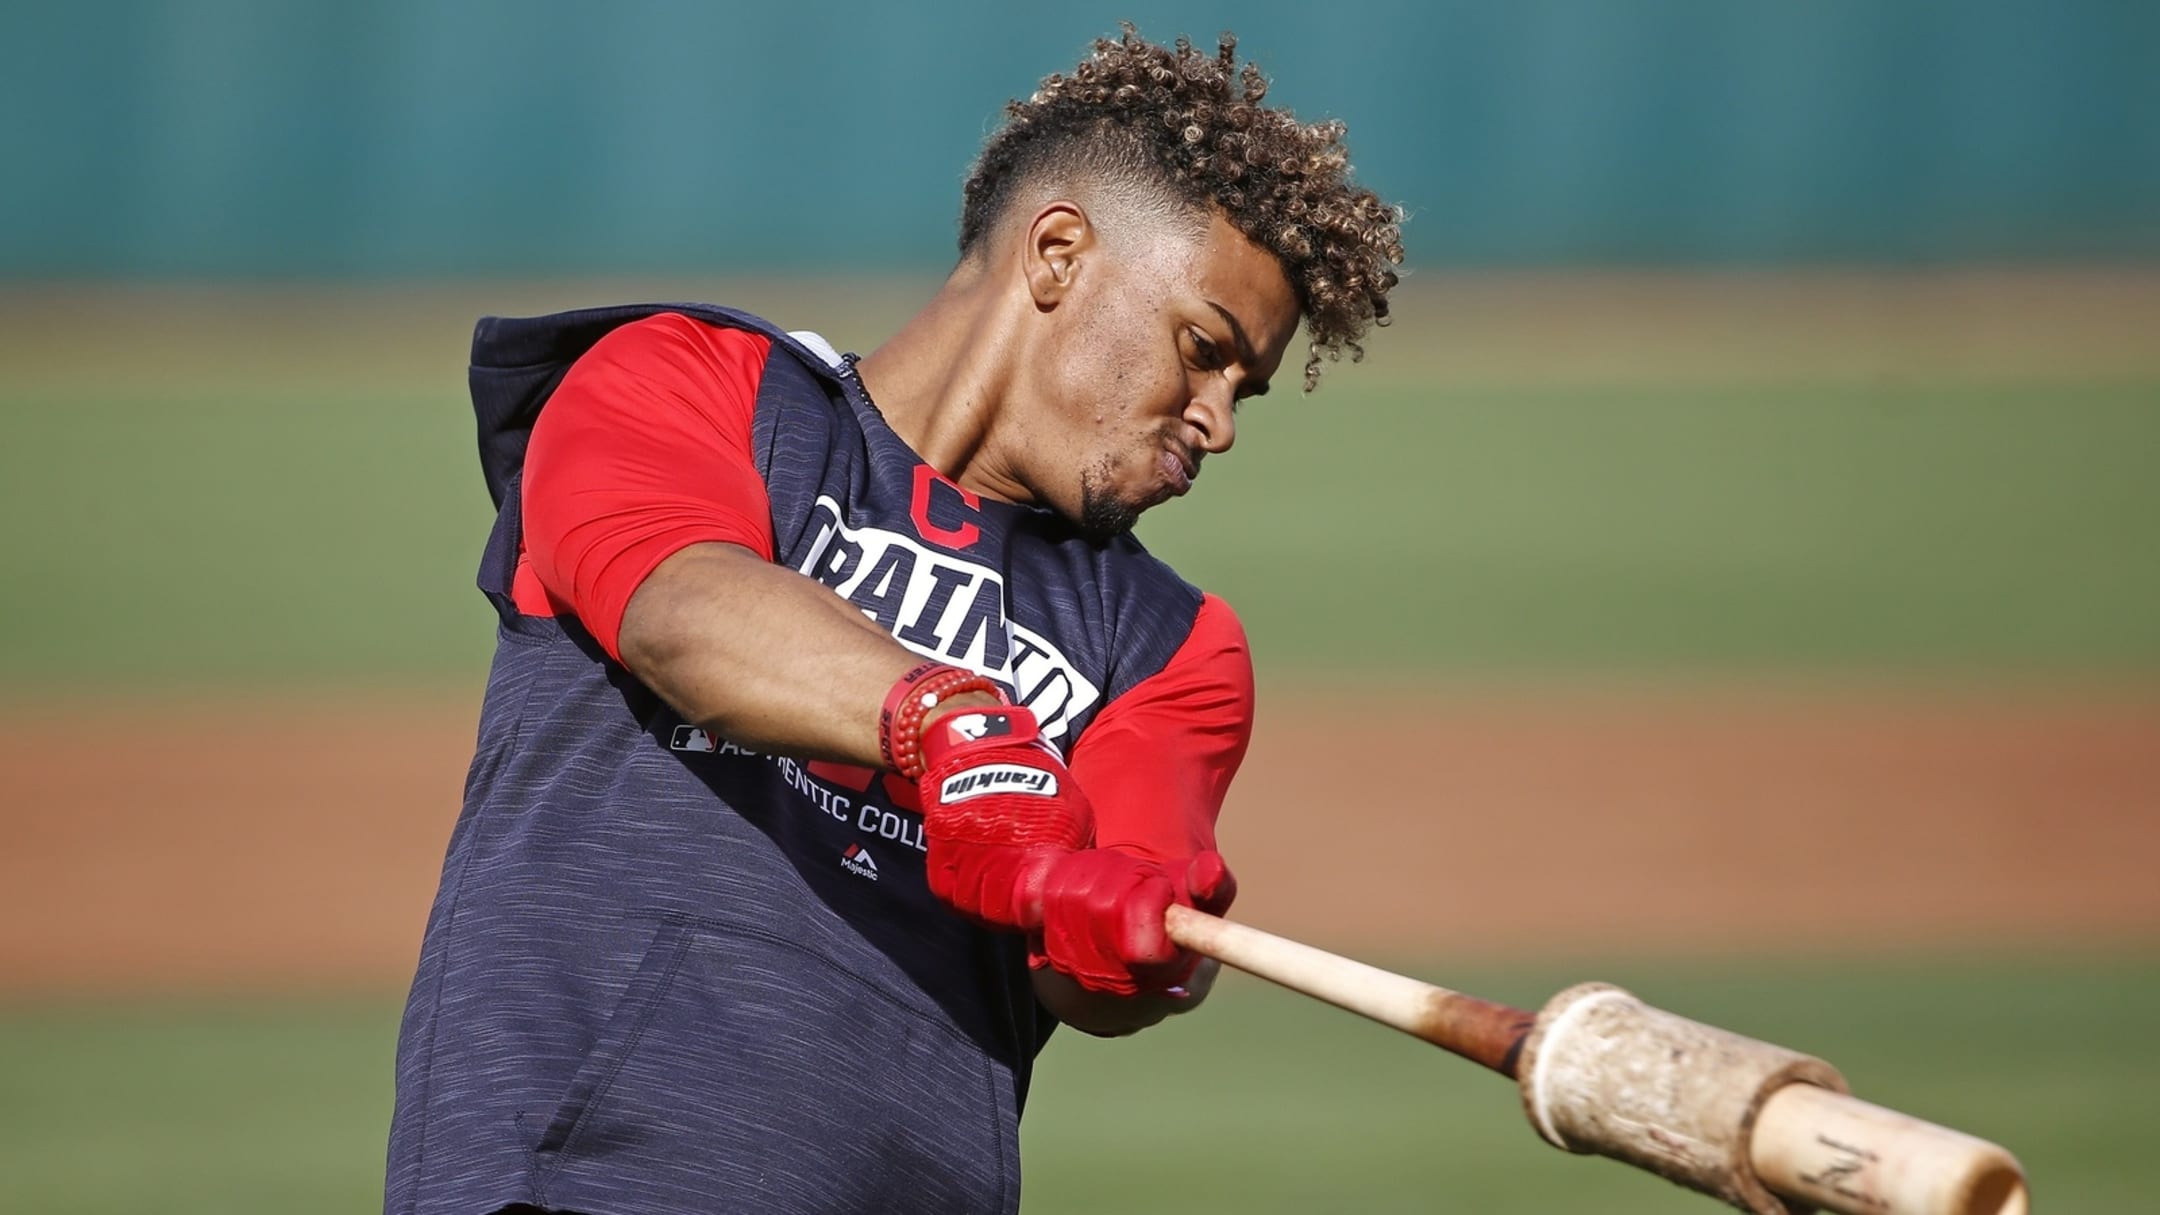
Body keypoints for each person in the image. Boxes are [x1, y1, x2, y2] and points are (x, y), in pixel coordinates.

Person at [386, 25, 1401, 1215]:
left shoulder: (1174, 647)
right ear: (1059, 254)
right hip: (577, 1173)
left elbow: (1119, 943)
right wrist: (956, 726)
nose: (1218, 421)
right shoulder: (690, 380)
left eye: (1245, 389)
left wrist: (1126, 935)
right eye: (1202, 350)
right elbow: (679, 612)